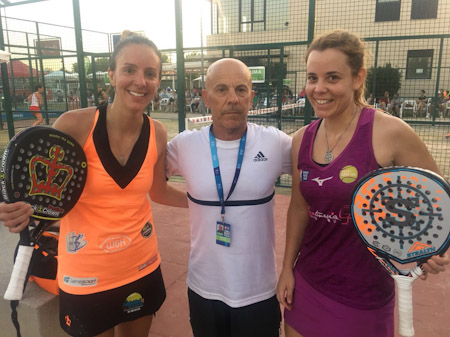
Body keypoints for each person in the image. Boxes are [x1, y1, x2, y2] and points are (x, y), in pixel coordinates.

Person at [1, 32, 188, 337]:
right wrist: (15, 210)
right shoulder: (74, 125)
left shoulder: (157, 132)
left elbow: (158, 191)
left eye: (150, 73)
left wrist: (206, 201)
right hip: (86, 275)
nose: (140, 81)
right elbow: (37, 192)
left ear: (158, 80)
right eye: (129, 70)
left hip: (142, 265)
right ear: (112, 75)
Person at [276, 30, 449, 337]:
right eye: (312, 78)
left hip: (365, 295)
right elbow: (299, 209)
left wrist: (433, 250)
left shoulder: (390, 132)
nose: (319, 89)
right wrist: (287, 269)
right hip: (308, 283)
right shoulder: (301, 140)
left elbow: (438, 202)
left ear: (357, 78)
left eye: (332, 77)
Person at [166, 58, 292, 337]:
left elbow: (321, 166)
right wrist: (192, 202)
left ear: (251, 97)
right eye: (221, 89)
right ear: (205, 98)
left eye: (241, 90)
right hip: (204, 288)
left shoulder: (275, 143)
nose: (232, 99)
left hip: (258, 291)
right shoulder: (184, 145)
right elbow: (145, 180)